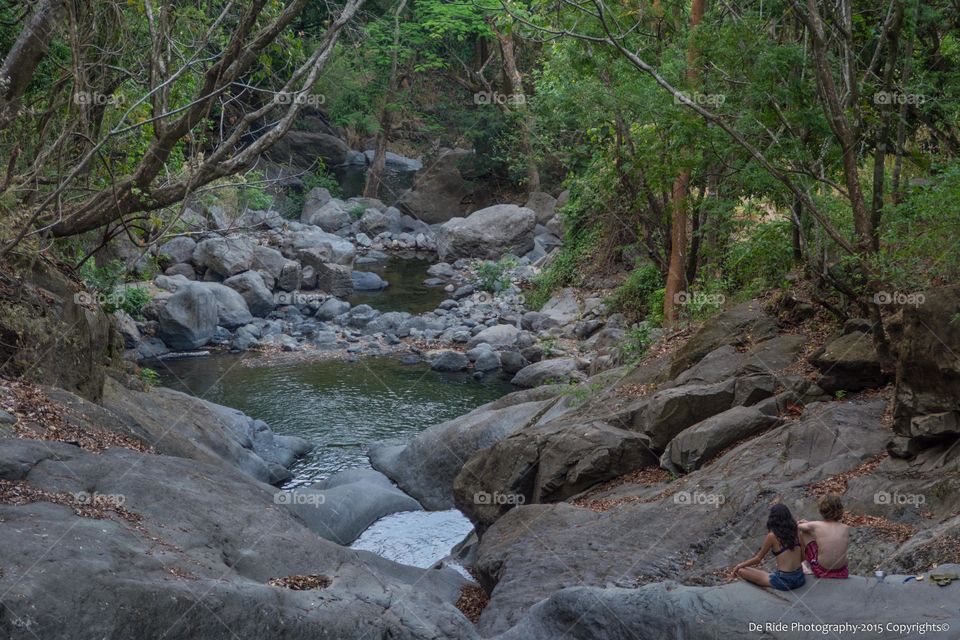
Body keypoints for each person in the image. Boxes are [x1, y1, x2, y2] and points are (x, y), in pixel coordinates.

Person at [733, 504, 806, 591]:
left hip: (784, 581)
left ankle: (775, 576)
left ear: (772, 519)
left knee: (741, 571)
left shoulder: (772, 536)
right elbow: (804, 556)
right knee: (769, 574)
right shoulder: (797, 531)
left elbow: (758, 559)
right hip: (800, 578)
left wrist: (739, 565)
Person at [799, 493, 850, 579]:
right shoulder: (846, 528)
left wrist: (806, 524)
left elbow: (799, 526)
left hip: (822, 570)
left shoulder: (816, 525)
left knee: (804, 532)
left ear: (822, 510)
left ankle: (803, 563)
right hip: (841, 571)